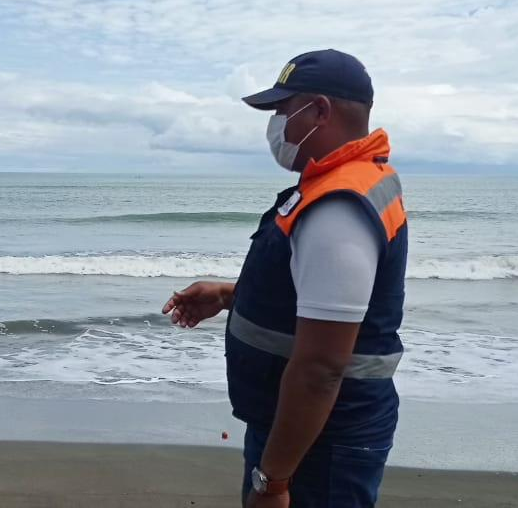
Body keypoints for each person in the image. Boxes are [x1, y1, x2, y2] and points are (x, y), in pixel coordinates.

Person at [163, 50, 408, 508]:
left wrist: (272, 481)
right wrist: (229, 295)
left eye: (281, 110)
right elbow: (318, 300)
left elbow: (321, 369)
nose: (275, 124)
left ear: (320, 110)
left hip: (321, 445)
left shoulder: (338, 206)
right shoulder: (342, 182)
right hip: (303, 431)